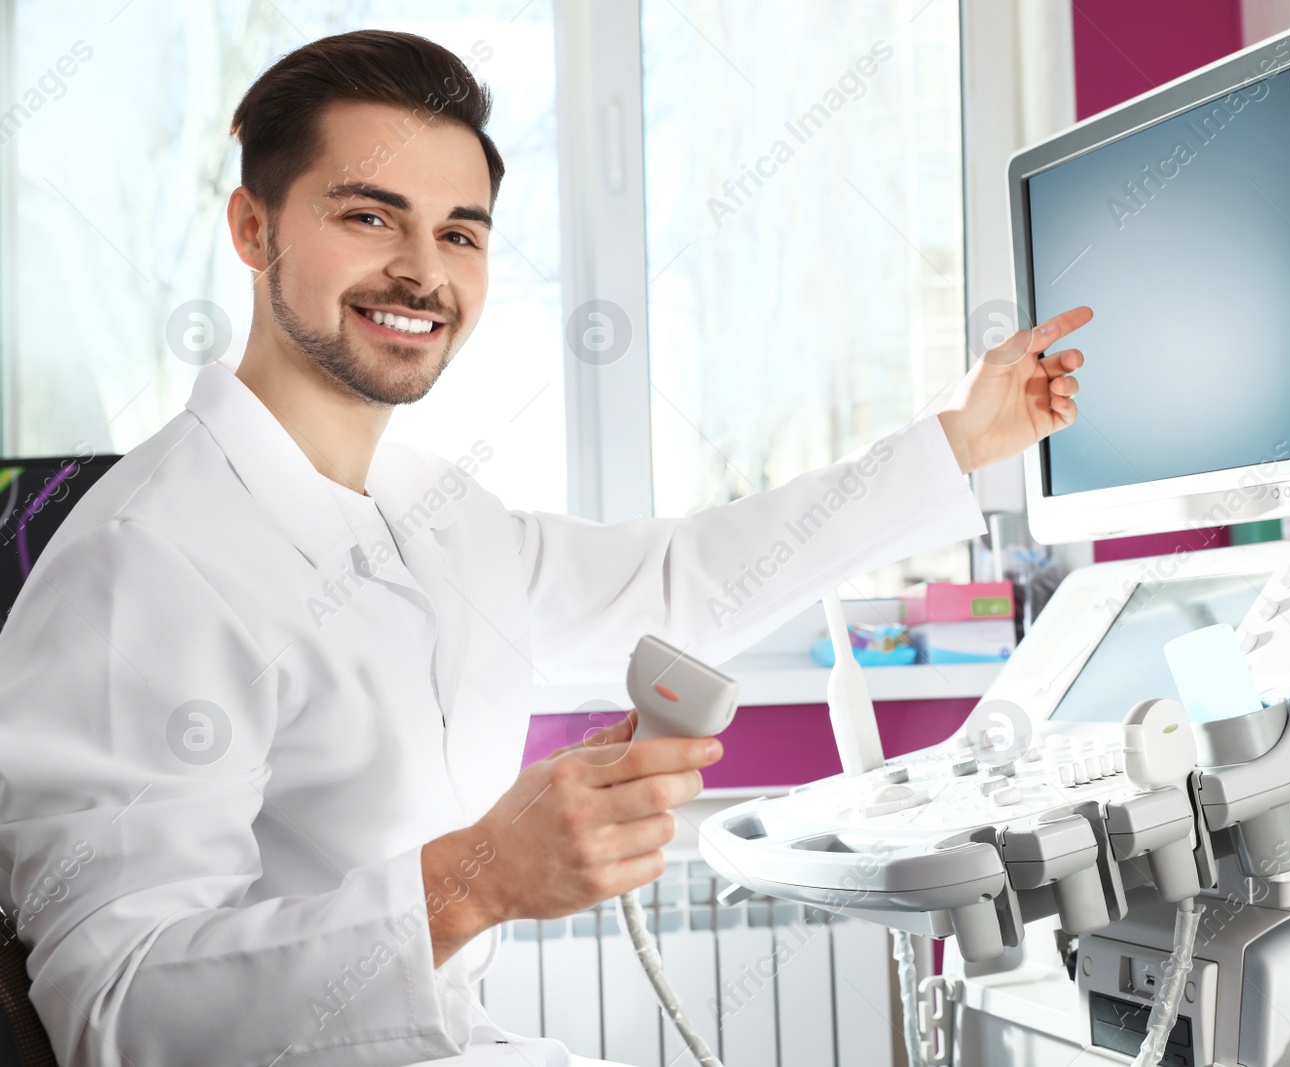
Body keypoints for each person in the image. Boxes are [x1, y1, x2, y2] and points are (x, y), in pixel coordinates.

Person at [0, 29, 1090, 1067]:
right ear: (252, 227)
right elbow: (116, 1009)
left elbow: (681, 579)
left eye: (460, 232)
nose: (423, 272)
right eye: (371, 217)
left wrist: (957, 440)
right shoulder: (141, 561)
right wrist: (469, 882)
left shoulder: (431, 508)